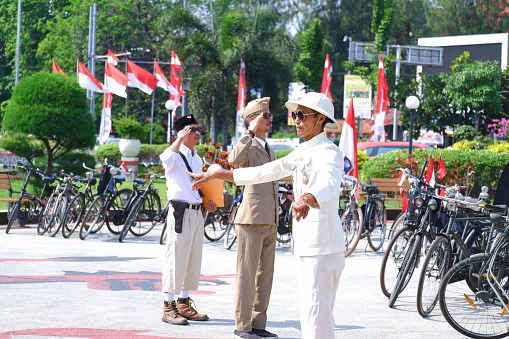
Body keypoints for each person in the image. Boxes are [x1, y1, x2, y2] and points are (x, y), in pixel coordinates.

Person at [188, 92, 346, 338]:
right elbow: (264, 172)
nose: (296, 120)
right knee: (311, 311)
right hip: (309, 244)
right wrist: (219, 175)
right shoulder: (303, 150)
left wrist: (306, 197)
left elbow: (328, 181)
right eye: (295, 115)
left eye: (302, 115)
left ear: (320, 119)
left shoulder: (329, 152)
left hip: (322, 247)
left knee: (317, 312)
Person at [228, 97, 280, 339]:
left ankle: (258, 323)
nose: (270, 119)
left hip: (269, 219)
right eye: (265, 115)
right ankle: (242, 325)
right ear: (252, 120)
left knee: (265, 276)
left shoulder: (269, 148)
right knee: (247, 274)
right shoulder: (248, 145)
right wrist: (248, 132)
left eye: (270, 115)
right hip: (250, 219)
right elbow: (233, 160)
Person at [159, 114, 216, 326]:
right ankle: (168, 306)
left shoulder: (197, 158)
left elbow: (198, 186)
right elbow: (165, 159)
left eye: (198, 129)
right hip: (180, 212)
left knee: (192, 259)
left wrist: (207, 201)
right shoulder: (174, 154)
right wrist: (178, 140)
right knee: (176, 258)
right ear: (182, 132)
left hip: (196, 210)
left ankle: (183, 304)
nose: (197, 133)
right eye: (192, 129)